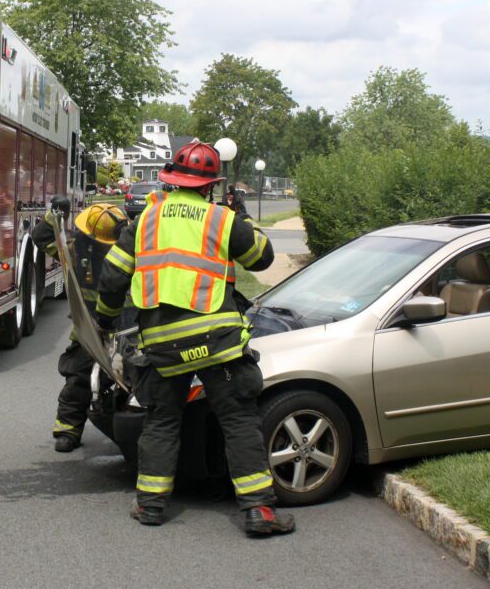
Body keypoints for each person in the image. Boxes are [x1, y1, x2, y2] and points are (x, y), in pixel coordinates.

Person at [95, 140, 295, 537]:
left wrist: (105, 319)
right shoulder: (222, 219)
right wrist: (242, 217)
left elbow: (113, 275)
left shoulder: (146, 220)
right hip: (218, 342)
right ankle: (259, 511)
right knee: (239, 421)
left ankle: (150, 505)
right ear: (210, 185)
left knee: (161, 421)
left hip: (164, 347)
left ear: (171, 180)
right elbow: (262, 258)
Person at [32, 197, 128, 452]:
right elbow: (42, 238)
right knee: (79, 380)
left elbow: (41, 237)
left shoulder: (80, 249)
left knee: (83, 381)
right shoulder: (77, 251)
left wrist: (55, 215)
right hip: (93, 331)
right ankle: (68, 430)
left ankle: (73, 430)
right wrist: (54, 217)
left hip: (123, 332)